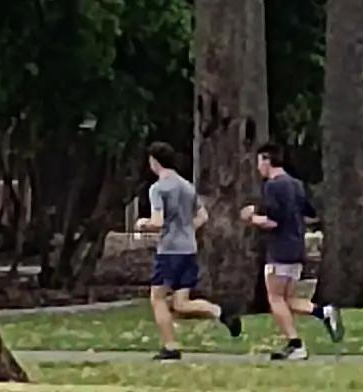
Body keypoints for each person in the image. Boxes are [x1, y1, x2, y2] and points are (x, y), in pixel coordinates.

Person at [234, 141, 340, 360]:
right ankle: (323, 312)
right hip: (296, 247)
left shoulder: (273, 185)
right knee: (288, 300)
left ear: (266, 160)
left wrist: (251, 218)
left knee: (274, 298)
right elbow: (306, 211)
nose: (258, 168)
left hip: (279, 250)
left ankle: (296, 344)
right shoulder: (296, 184)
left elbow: (273, 221)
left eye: (259, 162)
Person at [137, 144, 215, 359]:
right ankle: (218, 311)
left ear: (154, 161)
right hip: (189, 248)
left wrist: (143, 224)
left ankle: (170, 346)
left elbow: (157, 222)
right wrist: (188, 229)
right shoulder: (186, 186)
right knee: (181, 303)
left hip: (169, 250)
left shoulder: (158, 188)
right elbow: (203, 216)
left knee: (157, 298)